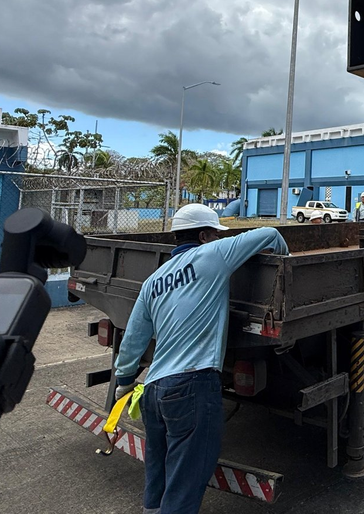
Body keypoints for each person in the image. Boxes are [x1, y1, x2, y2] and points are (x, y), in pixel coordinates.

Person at [114, 204, 289, 513]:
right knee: (184, 485)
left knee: (158, 476)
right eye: (214, 234)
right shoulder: (214, 255)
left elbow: (133, 342)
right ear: (205, 235)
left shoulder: (152, 283)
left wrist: (125, 382)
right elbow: (271, 234)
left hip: (153, 390)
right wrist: (283, 261)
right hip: (192, 385)